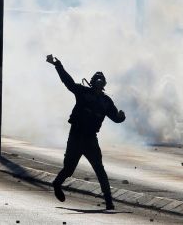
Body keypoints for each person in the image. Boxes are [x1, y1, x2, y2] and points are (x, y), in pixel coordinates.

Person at [46, 55, 126, 210]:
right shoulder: (83, 92)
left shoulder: (106, 102)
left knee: (99, 169)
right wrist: (58, 65)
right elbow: (68, 82)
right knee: (69, 169)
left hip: (90, 139)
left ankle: (109, 200)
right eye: (97, 80)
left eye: (101, 81)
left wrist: (121, 117)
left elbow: (115, 118)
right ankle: (57, 184)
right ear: (92, 82)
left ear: (104, 84)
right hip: (76, 135)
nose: (99, 83)